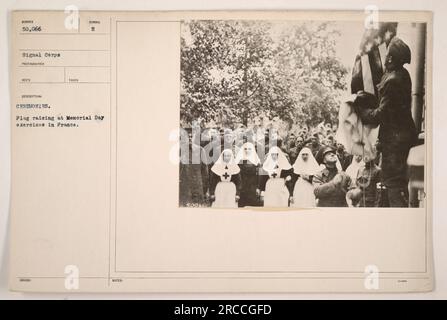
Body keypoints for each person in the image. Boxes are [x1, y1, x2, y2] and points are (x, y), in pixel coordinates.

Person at [355, 37, 418, 207]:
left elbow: (381, 114)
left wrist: (362, 112)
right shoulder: (400, 75)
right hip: (398, 138)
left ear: (390, 58)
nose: (385, 59)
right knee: (393, 183)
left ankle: (399, 219)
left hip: (396, 142)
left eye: (388, 55)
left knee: (394, 184)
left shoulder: (393, 80)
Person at [179, 132, 209, 207]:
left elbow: (205, 171)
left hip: (197, 186)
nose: (189, 138)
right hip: (185, 187)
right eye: (188, 136)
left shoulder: (201, 150)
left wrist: (205, 188)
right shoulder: (180, 151)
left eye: (191, 136)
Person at [235, 142, 261, 207]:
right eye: (245, 149)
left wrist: (258, 188)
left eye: (249, 149)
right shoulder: (239, 162)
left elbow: (258, 176)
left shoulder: (257, 162)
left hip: (253, 187)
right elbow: (237, 177)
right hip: (243, 187)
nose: (247, 150)